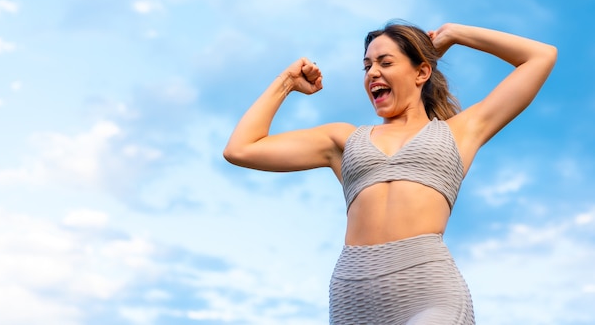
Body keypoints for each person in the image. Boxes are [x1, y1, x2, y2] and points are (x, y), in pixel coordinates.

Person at [223, 21, 556, 324]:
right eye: (367, 66)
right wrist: (286, 82)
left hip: (428, 287)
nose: (372, 73)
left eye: (385, 62)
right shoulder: (343, 139)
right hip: (352, 297)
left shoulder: (460, 132)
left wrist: (454, 34)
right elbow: (240, 149)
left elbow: (540, 57)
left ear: (421, 72)